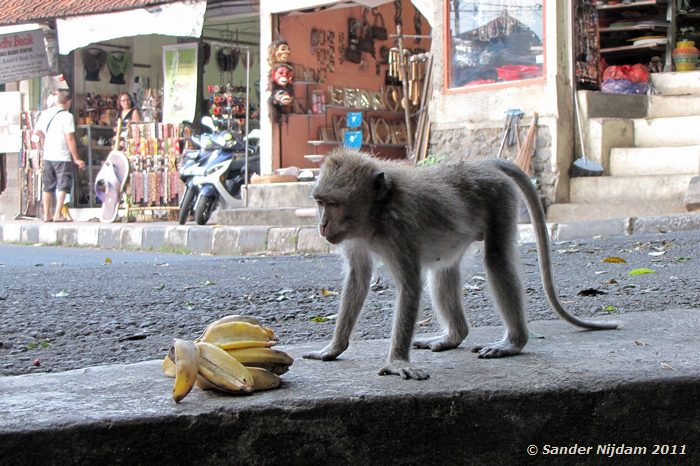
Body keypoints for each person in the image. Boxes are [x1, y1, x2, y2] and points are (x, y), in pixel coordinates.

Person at [33, 90, 85, 222]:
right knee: (63, 185)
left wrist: (47, 139)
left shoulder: (46, 113)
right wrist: (76, 158)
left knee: (48, 186)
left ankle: (46, 215)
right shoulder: (67, 116)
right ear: (68, 102)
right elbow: (70, 139)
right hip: (62, 156)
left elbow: (37, 131)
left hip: (48, 155)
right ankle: (57, 214)